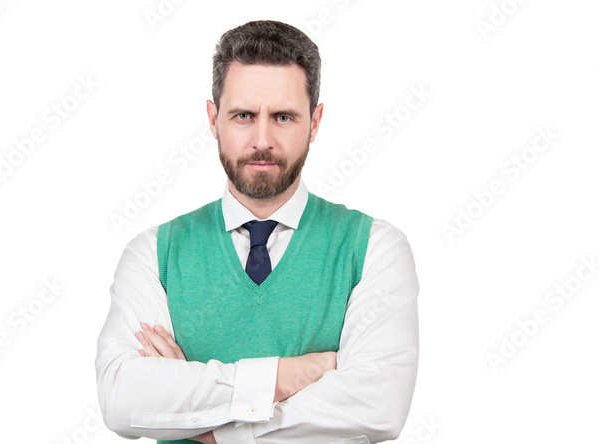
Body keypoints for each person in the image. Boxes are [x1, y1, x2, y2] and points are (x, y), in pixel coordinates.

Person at [94, 20, 419, 444]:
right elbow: (122, 398)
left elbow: (379, 408)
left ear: (314, 122)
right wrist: (288, 376)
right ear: (213, 119)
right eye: (243, 116)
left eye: (283, 117)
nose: (262, 140)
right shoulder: (155, 254)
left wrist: (211, 428)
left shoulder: (374, 249)